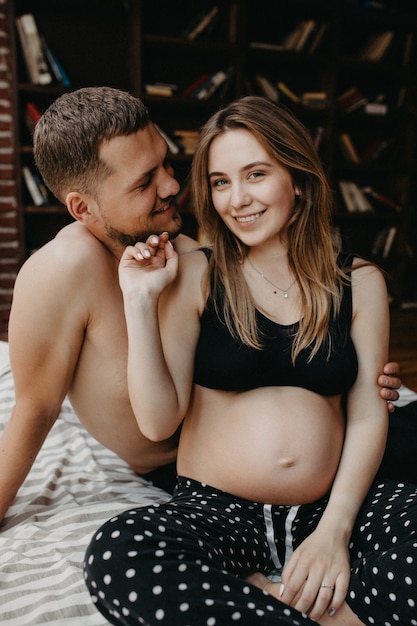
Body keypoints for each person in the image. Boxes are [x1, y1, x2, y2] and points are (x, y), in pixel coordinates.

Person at [84, 96, 417, 626]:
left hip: (327, 509)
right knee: (118, 551)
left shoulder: (360, 283)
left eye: (255, 174)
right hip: (217, 512)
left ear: (299, 179)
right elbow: (157, 421)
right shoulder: (197, 275)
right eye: (219, 182)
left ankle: (286, 608)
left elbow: (369, 412)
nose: (237, 199)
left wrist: (334, 532)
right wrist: (139, 302)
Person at [0, 86, 402, 525]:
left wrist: (358, 371)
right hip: (190, 479)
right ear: (82, 208)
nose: (173, 186)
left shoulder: (184, 251)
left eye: (166, 163)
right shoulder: (64, 267)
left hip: (313, 453)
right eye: (144, 181)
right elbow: (35, 409)